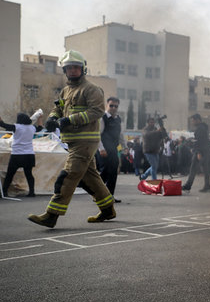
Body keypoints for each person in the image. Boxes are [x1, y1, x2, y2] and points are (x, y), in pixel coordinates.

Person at [27, 50, 116, 228]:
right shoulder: (65, 91)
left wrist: (68, 120)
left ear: (83, 69)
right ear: (65, 70)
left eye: (76, 67)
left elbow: (97, 111)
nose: (73, 71)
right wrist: (53, 118)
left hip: (85, 142)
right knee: (89, 177)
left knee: (67, 176)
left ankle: (52, 215)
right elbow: (58, 109)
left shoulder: (91, 89)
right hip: (73, 141)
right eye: (69, 68)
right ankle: (107, 209)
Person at [0, 113, 44, 197]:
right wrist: (40, 118)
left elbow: (2, 124)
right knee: (29, 174)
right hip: (29, 154)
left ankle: (4, 192)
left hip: (17, 154)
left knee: (10, 174)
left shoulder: (16, 127)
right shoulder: (32, 127)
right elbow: (40, 128)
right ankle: (32, 192)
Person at [98, 97, 123, 202]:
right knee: (104, 172)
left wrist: (124, 147)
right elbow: (97, 135)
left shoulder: (118, 119)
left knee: (113, 173)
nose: (113, 108)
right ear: (107, 105)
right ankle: (98, 195)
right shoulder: (102, 118)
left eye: (116, 106)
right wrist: (101, 148)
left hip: (114, 150)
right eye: (111, 105)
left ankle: (110, 196)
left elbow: (120, 134)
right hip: (104, 150)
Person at [182, 114, 210, 192]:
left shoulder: (200, 129)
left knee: (196, 169)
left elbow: (200, 141)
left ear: (198, 120)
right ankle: (207, 185)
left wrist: (199, 152)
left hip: (201, 151)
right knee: (203, 169)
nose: (192, 122)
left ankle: (189, 185)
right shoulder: (203, 127)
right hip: (204, 151)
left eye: (193, 120)